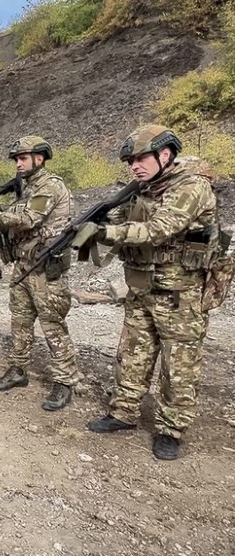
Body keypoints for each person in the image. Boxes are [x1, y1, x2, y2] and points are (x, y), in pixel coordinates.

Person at [84, 125, 221, 460]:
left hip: (181, 293)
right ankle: (124, 413)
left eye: (141, 158)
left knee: (178, 367)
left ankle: (171, 429)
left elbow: (160, 229)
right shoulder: (141, 190)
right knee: (132, 356)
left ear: (165, 154)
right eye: (130, 160)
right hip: (142, 287)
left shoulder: (192, 186)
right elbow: (120, 218)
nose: (134, 165)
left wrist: (104, 232)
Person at [0, 136, 81, 411]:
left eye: (22, 158)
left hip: (45, 269)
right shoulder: (27, 190)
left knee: (53, 326)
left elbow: (28, 220)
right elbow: (15, 222)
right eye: (16, 159)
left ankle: (65, 382)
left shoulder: (49, 186)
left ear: (39, 158)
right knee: (20, 322)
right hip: (23, 265)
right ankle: (18, 370)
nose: (18, 163)